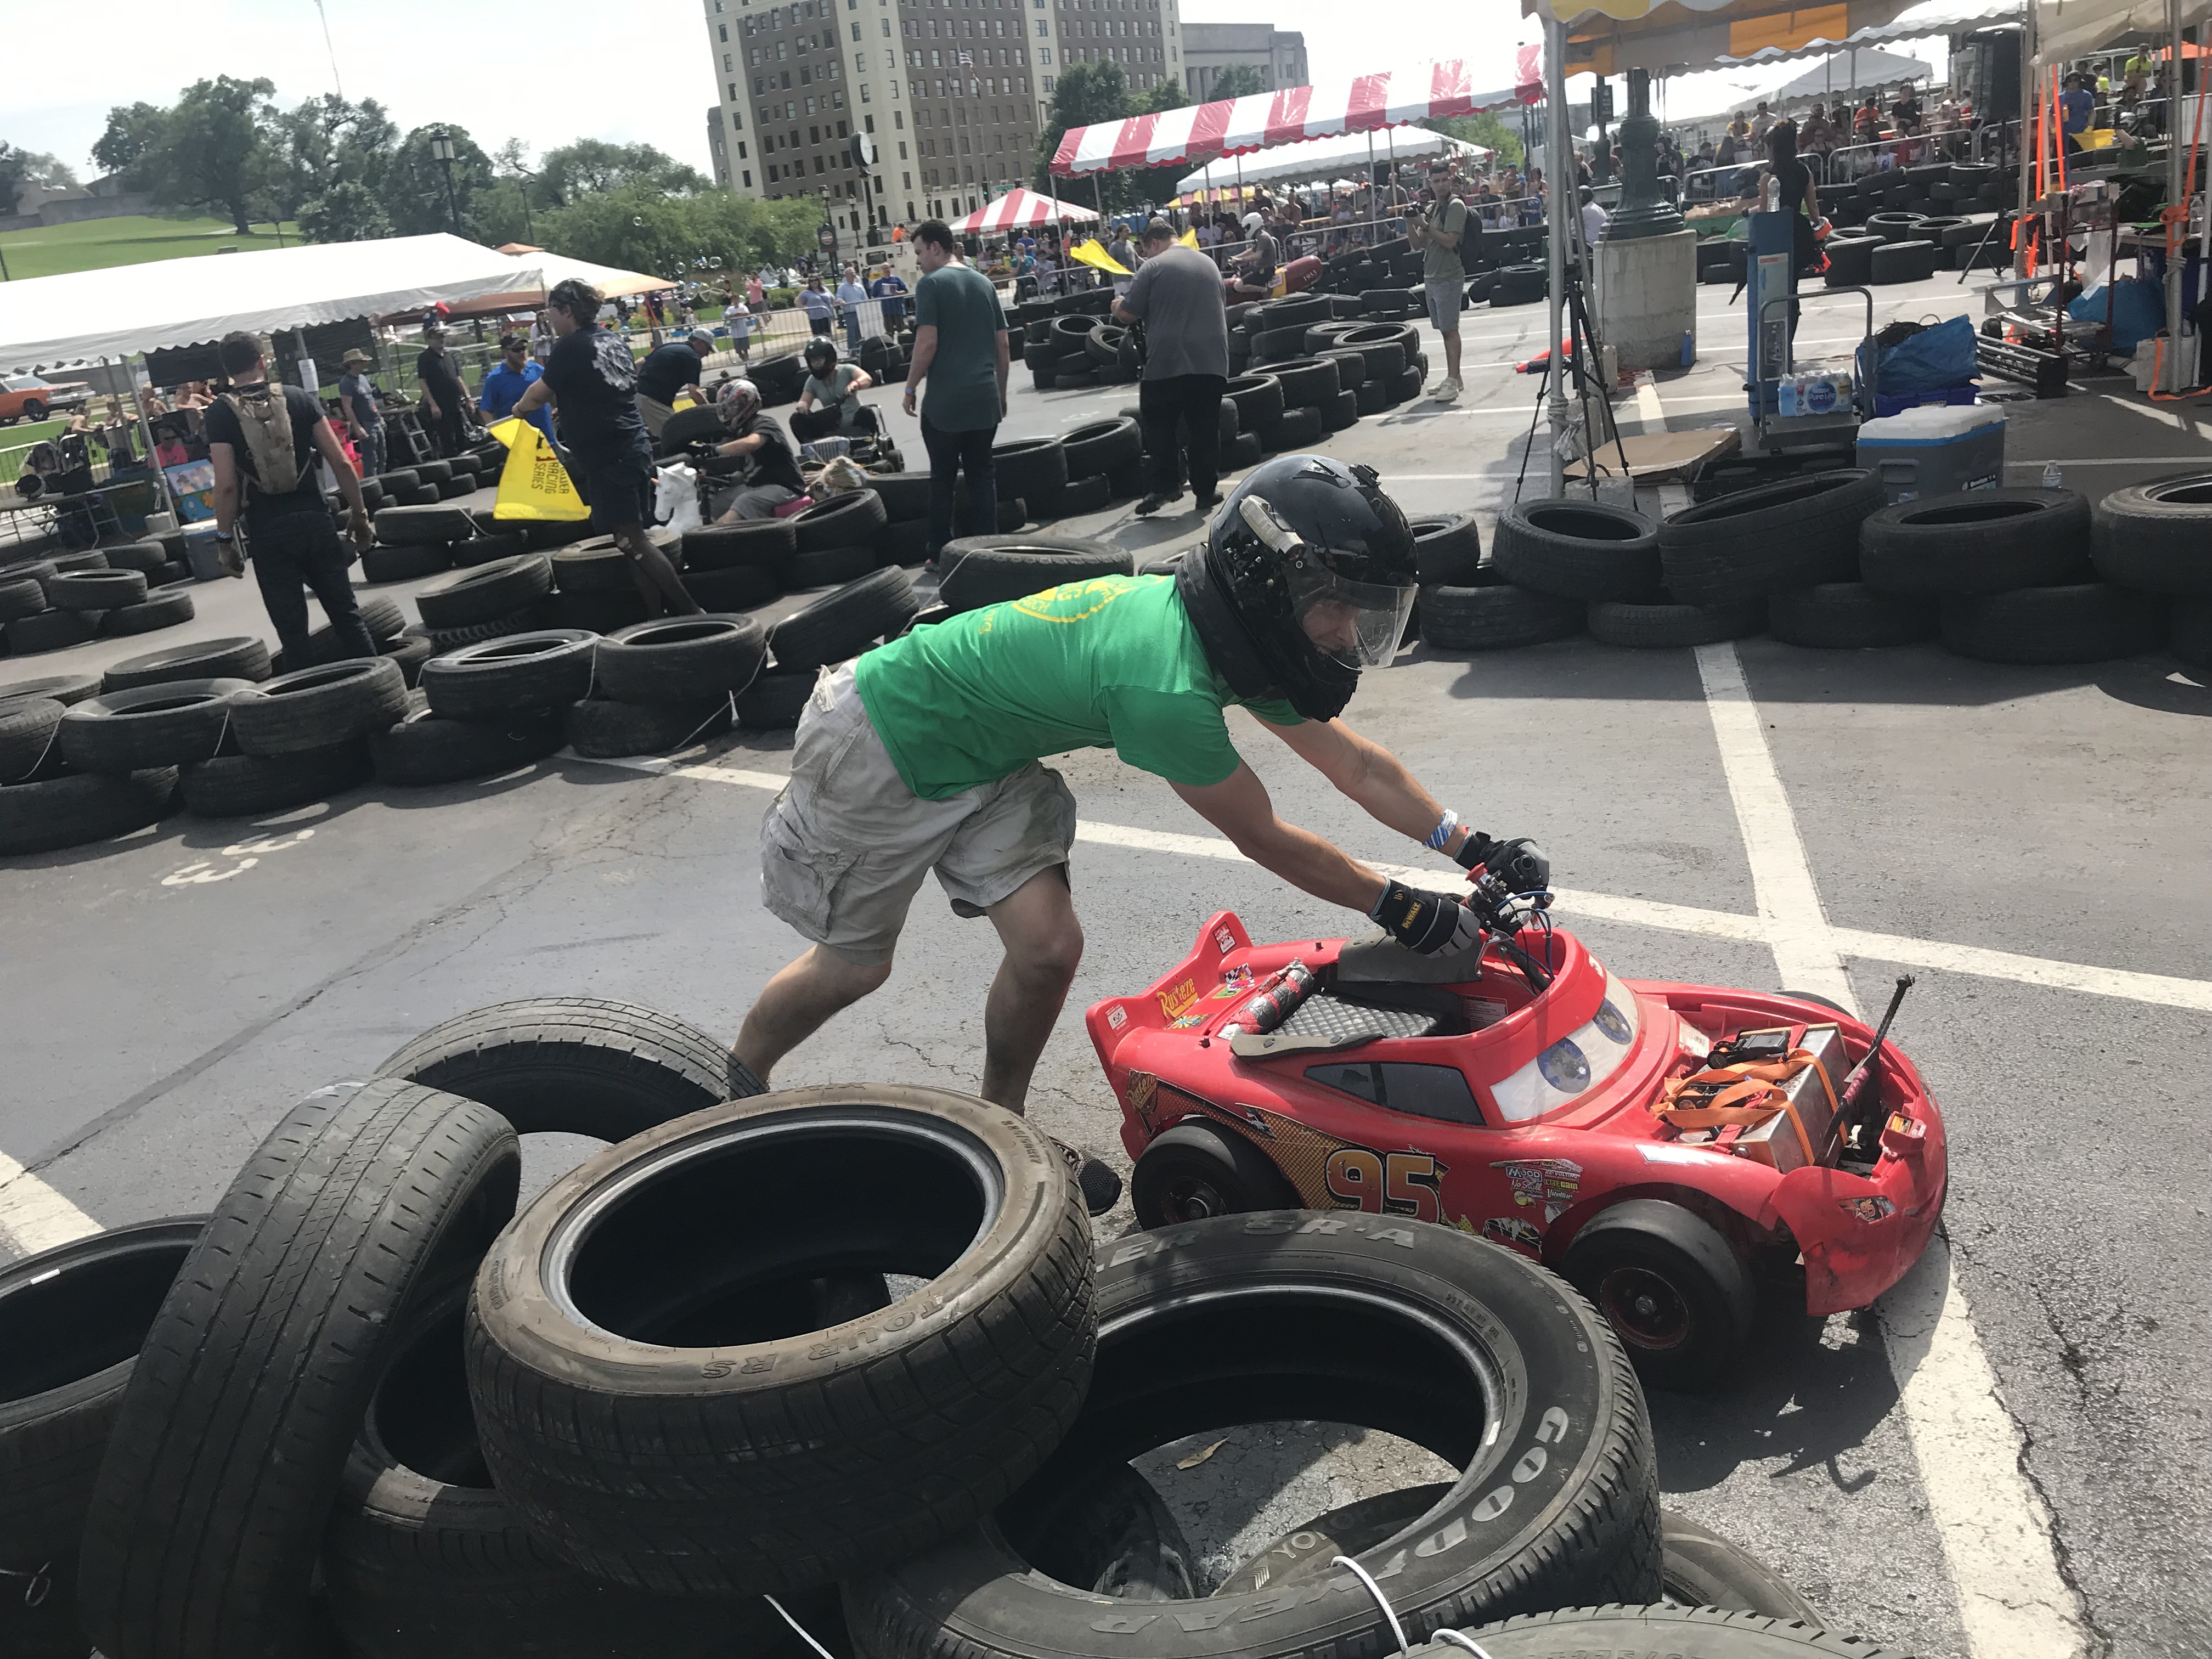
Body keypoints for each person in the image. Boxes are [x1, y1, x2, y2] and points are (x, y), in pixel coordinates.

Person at [725, 453, 1544, 1215]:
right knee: (855, 967)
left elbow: (1355, 766)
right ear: (1273, 581)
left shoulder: (1239, 634)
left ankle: (999, 1128)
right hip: (886, 735)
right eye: (1341, 607)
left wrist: (1471, 847)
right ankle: (724, 1093)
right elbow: (1263, 835)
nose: (1348, 632)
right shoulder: (1167, 685)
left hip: (985, 750)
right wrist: (1398, 905)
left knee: (1047, 951)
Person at [514, 277, 700, 619]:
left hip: (609, 454)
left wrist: (520, 409)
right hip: (631, 445)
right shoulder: (610, 339)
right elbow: (602, 386)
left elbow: (539, 392)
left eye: (551, 311)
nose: (548, 318)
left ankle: (691, 609)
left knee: (633, 541)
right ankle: (656, 616)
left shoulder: (571, 346)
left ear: (566, 310)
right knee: (628, 539)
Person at [204, 331, 377, 663]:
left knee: (293, 634)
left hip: (267, 530)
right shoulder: (297, 398)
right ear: (262, 362)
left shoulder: (220, 413)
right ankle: (381, 682)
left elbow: (226, 485)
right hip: (315, 518)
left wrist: (225, 541)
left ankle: (306, 692)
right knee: (347, 617)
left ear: (227, 370)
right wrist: (360, 513)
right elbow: (341, 462)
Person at [902, 218, 1009, 559]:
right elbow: (1003, 344)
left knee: (943, 478)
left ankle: (939, 552)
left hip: (946, 403)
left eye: (919, 252)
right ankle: (989, 551)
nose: (918, 260)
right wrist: (1001, 393)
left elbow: (926, 342)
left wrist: (910, 387)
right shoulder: (984, 283)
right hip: (985, 397)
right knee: (982, 476)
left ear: (935, 247)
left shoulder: (930, 285)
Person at [1113, 218, 1228, 519]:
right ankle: (1206, 491)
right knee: (1205, 429)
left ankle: (1166, 484)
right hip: (1212, 362)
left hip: (1168, 361)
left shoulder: (1152, 267)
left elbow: (1127, 314)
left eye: (1146, 250)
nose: (1147, 256)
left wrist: (1117, 305)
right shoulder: (1209, 264)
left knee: (1159, 423)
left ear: (1154, 243)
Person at [1409, 157, 1471, 403]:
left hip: (1448, 275)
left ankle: (1453, 381)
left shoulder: (1455, 206)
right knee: (1444, 330)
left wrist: (1424, 225)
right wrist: (1410, 222)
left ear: (1451, 179)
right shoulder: (1434, 208)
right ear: (1430, 183)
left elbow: (1450, 240)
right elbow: (1418, 244)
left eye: (1445, 180)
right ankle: (1454, 378)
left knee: (1450, 330)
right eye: (1437, 181)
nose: (1442, 185)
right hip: (1432, 275)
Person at [704, 379, 808, 520]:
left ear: (745, 403)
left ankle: (712, 533)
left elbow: (752, 443)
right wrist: (718, 481)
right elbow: (742, 475)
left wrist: (716, 450)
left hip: (785, 487)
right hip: (757, 486)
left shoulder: (765, 423)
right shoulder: (740, 433)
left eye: (731, 407)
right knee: (715, 501)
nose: (727, 411)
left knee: (744, 502)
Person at [791, 336, 878, 441]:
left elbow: (867, 378)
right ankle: (812, 447)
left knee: (867, 413)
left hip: (855, 422)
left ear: (830, 357)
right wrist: (802, 405)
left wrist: (854, 384)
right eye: (813, 360)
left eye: (820, 359)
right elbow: (805, 400)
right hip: (831, 426)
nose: (816, 363)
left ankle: (867, 440)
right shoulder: (812, 381)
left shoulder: (846, 370)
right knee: (797, 419)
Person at [634, 329, 714, 438]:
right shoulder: (693, 357)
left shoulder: (668, 346)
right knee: (679, 437)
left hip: (636, 395)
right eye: (708, 349)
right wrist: (712, 412)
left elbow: (639, 364)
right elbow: (694, 393)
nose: (707, 354)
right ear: (700, 343)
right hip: (654, 401)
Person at [479, 332, 555, 443]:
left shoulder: (537, 370)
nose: (522, 353)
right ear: (505, 353)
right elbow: (485, 410)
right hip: (517, 444)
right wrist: (499, 436)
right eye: (516, 350)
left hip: (546, 439)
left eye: (524, 348)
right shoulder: (495, 378)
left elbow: (551, 393)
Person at [413, 322, 473, 458]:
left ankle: (466, 457)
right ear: (429, 340)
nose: (441, 340)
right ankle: (452, 460)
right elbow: (423, 381)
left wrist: (468, 398)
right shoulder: (425, 358)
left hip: (456, 400)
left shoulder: (450, 355)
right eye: (437, 337)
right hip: (440, 402)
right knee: (447, 435)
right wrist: (433, 405)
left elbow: (458, 377)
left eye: (442, 337)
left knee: (461, 431)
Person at [335, 349, 385, 478]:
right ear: (352, 364)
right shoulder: (346, 382)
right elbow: (347, 406)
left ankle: (383, 481)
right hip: (365, 423)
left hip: (375, 420)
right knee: (371, 459)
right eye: (361, 362)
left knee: (382, 456)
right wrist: (357, 427)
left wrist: (380, 417)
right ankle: (372, 483)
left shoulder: (362, 378)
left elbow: (370, 400)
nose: (365, 365)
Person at [1226, 212, 1279, 302]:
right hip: (1259, 267)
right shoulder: (1260, 236)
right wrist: (1235, 257)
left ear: (1253, 225)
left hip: (1266, 270)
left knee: (1238, 286)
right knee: (1237, 274)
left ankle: (1265, 290)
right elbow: (1252, 250)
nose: (1246, 231)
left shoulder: (1263, 237)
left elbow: (1258, 255)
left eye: (1247, 228)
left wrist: (1241, 260)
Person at [836, 267, 871, 353]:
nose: (853, 275)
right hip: (850, 313)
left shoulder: (860, 286)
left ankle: (862, 351)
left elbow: (865, 299)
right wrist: (841, 301)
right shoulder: (842, 287)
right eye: (851, 273)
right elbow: (838, 297)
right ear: (846, 276)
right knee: (852, 333)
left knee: (862, 332)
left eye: (854, 273)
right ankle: (852, 351)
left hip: (861, 312)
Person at [870, 264, 911, 332]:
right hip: (886, 311)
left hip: (898, 310)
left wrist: (897, 293)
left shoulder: (897, 279)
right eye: (884, 269)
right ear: (882, 270)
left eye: (888, 268)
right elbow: (874, 295)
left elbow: (906, 291)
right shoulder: (878, 282)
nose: (886, 270)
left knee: (901, 331)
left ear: (890, 269)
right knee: (889, 332)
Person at [2060, 73, 2094, 155]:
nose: (2073, 83)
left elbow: (2092, 112)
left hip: (2082, 133)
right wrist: (2054, 128)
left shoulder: (2087, 95)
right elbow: (2051, 115)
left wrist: (2090, 126)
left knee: (2084, 157)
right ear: (2066, 82)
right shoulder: (2060, 97)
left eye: (2076, 80)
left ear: (2080, 82)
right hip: (2065, 135)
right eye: (2070, 81)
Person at [799, 276, 837, 340]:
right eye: (811, 281)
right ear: (809, 283)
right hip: (814, 318)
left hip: (826, 316)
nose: (814, 282)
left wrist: (832, 308)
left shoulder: (825, 290)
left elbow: (833, 299)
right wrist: (806, 309)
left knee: (828, 335)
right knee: (818, 337)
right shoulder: (806, 293)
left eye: (815, 280)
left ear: (818, 281)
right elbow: (798, 302)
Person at [1579, 188, 1609, 253]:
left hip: (1590, 245)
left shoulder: (1584, 211)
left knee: (1563, 242)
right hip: (1600, 243)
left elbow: (1570, 229)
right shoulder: (1598, 208)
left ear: (1581, 196)